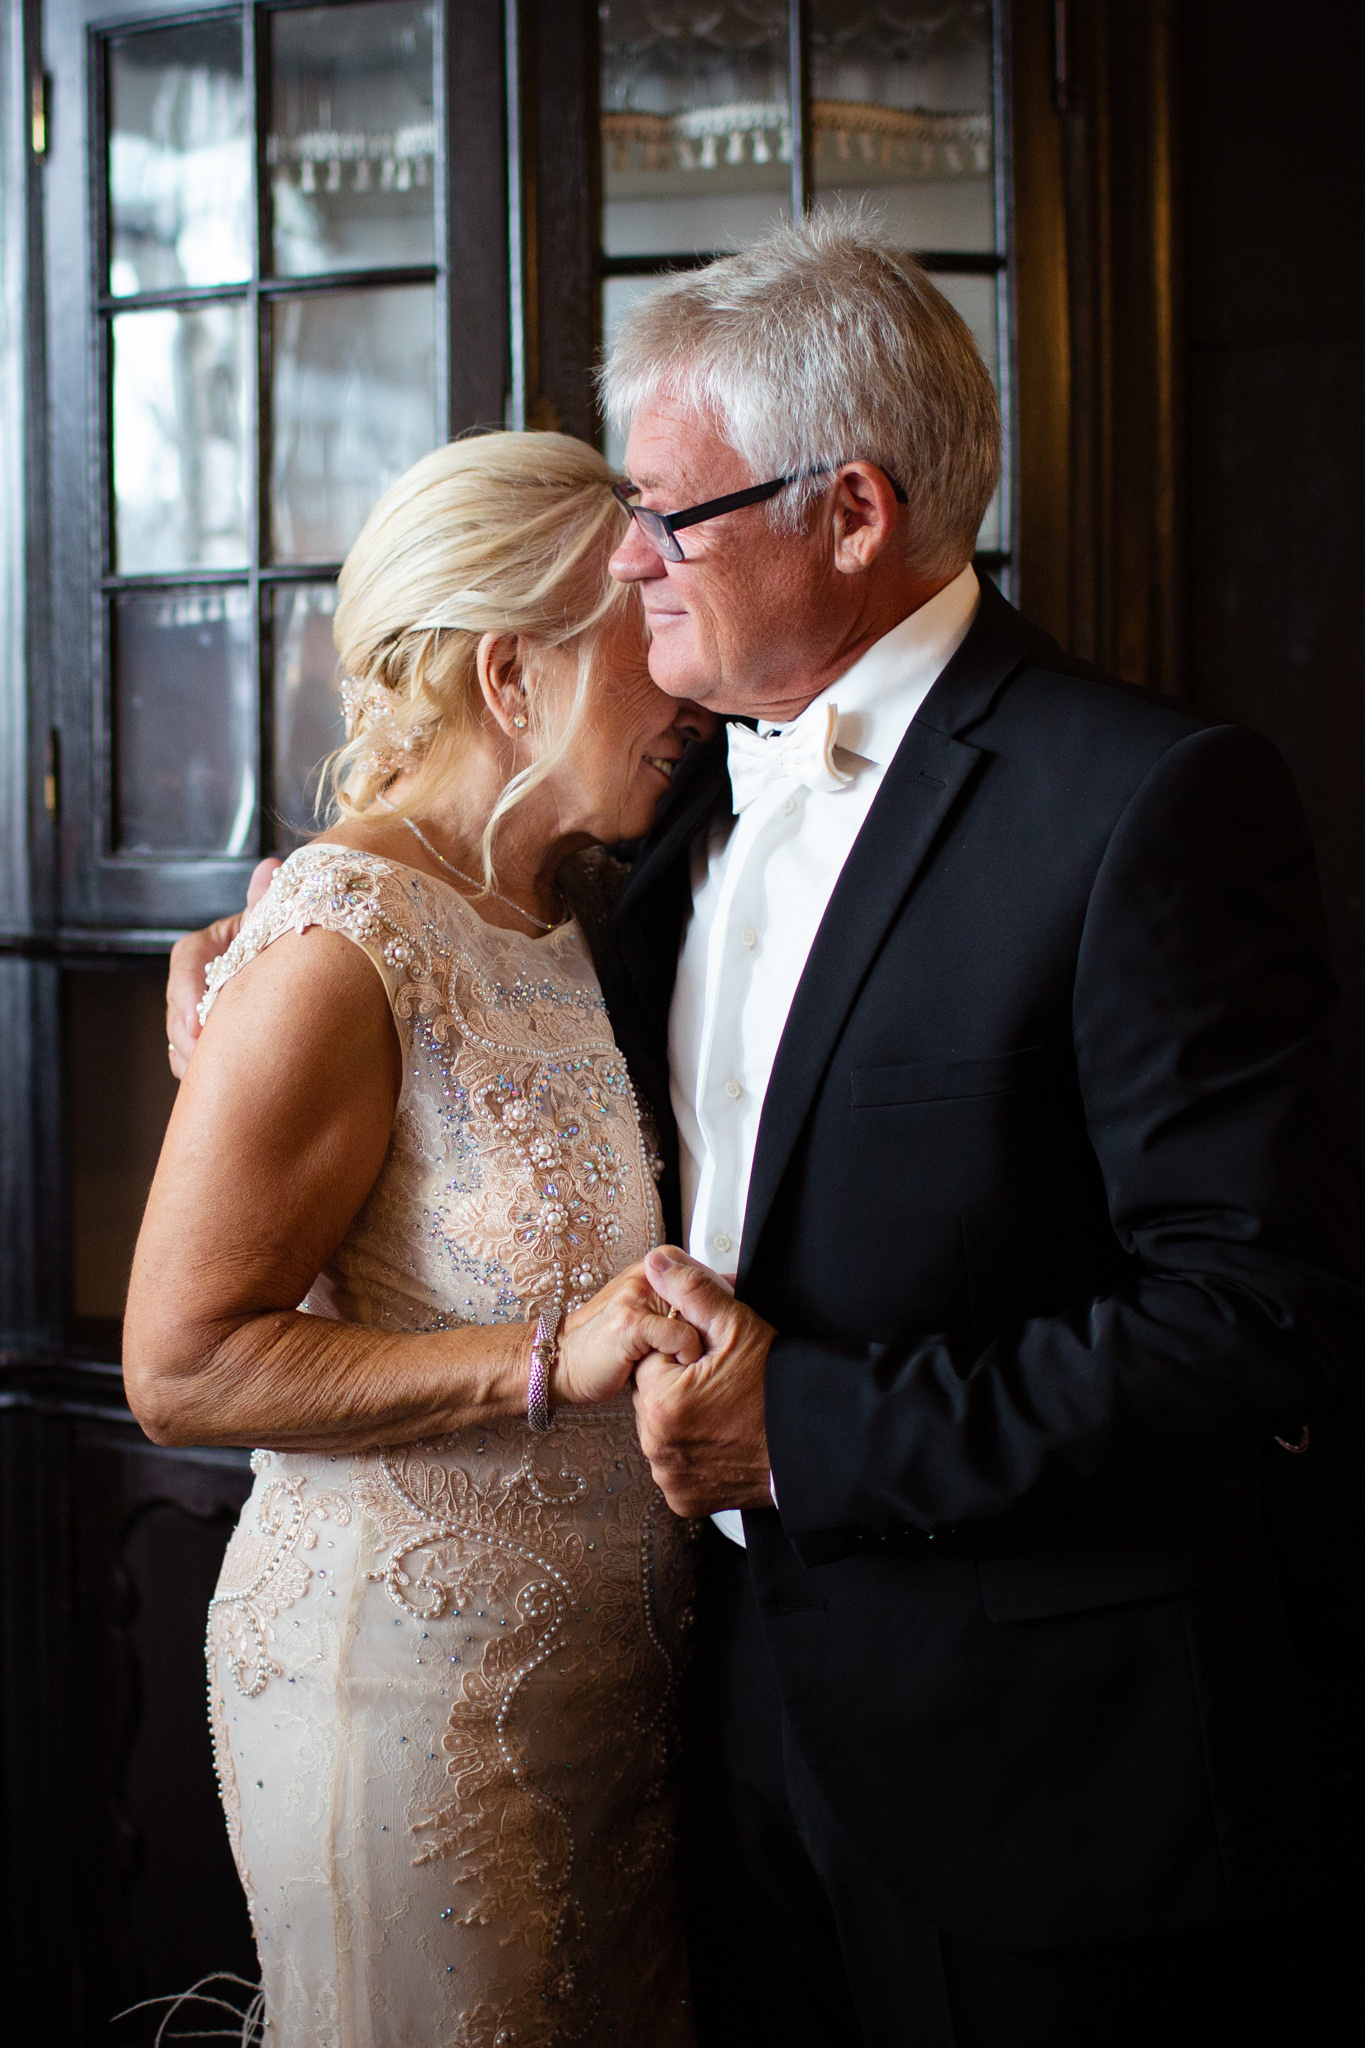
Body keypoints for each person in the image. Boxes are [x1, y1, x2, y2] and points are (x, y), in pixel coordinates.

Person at [169, 216, 1364, 2048]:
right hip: (700, 1730)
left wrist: (803, 1429)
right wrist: (258, 965)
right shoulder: (656, 818)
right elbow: (439, 969)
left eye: (667, 515)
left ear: (853, 513)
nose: (626, 559)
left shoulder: (1141, 804)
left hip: (1035, 1768)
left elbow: (1251, 1314)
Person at [129, 431, 715, 2046]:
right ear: (512, 674)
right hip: (404, 1692)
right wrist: (543, 1358)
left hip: (615, 1695)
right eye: (646, 629)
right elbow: (181, 1369)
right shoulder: (333, 947)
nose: (686, 681)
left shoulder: (570, 907)